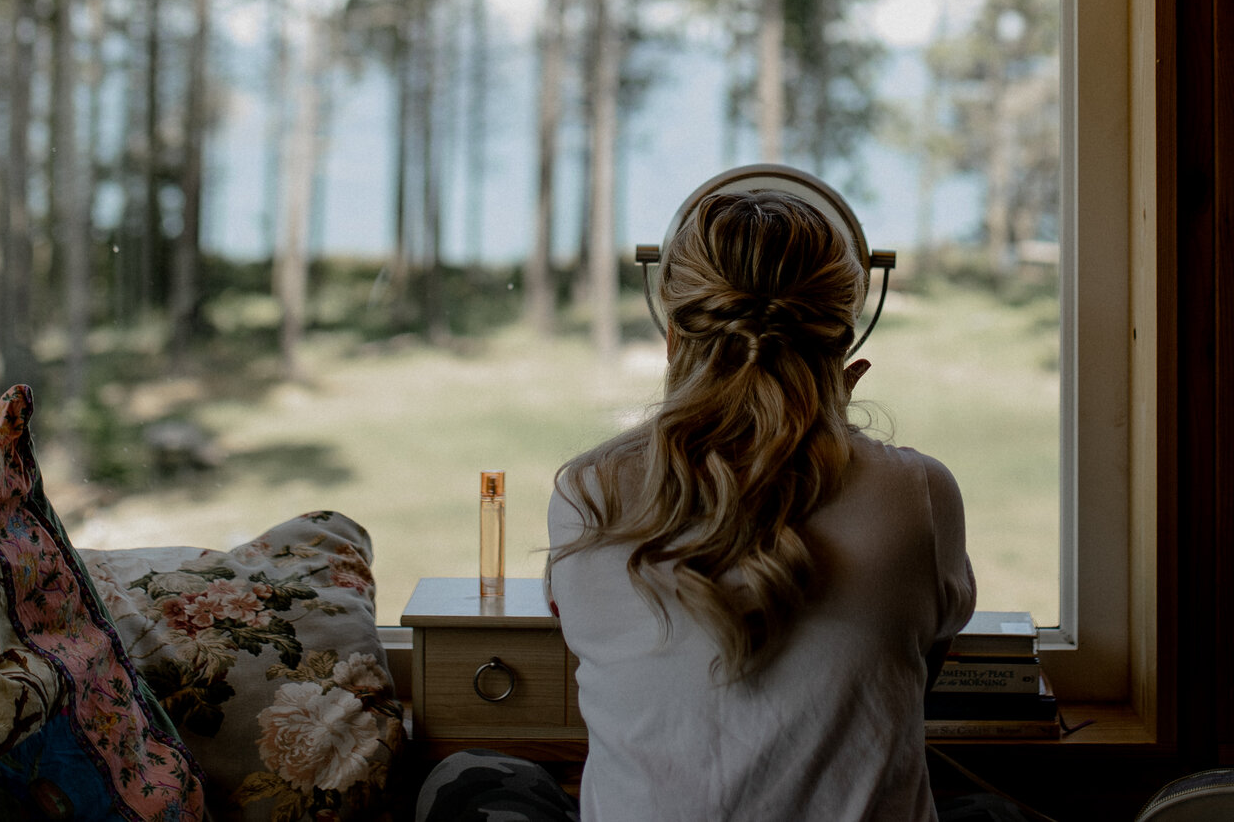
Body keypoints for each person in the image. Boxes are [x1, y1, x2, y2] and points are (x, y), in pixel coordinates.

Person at [415, 187, 1021, 822]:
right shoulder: (919, 493)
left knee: (467, 776)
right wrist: (829, 421)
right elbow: (917, 671)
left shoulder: (588, 492)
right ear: (844, 339)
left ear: (673, 335)